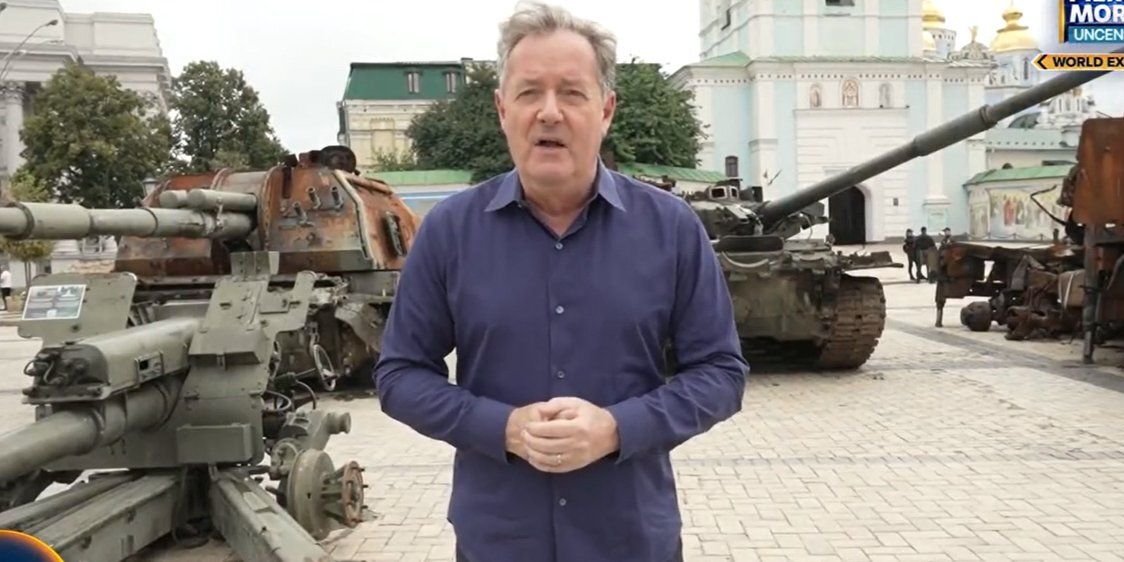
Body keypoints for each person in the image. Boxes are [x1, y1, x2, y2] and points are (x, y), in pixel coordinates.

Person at [372, 3, 748, 561]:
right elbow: (399, 375)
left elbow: (721, 373)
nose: (549, 112)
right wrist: (503, 428)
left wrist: (617, 428)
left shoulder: (671, 228)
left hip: (630, 540)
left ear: (606, 110)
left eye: (572, 93)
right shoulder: (449, 232)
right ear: (502, 109)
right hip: (499, 541)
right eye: (530, 93)